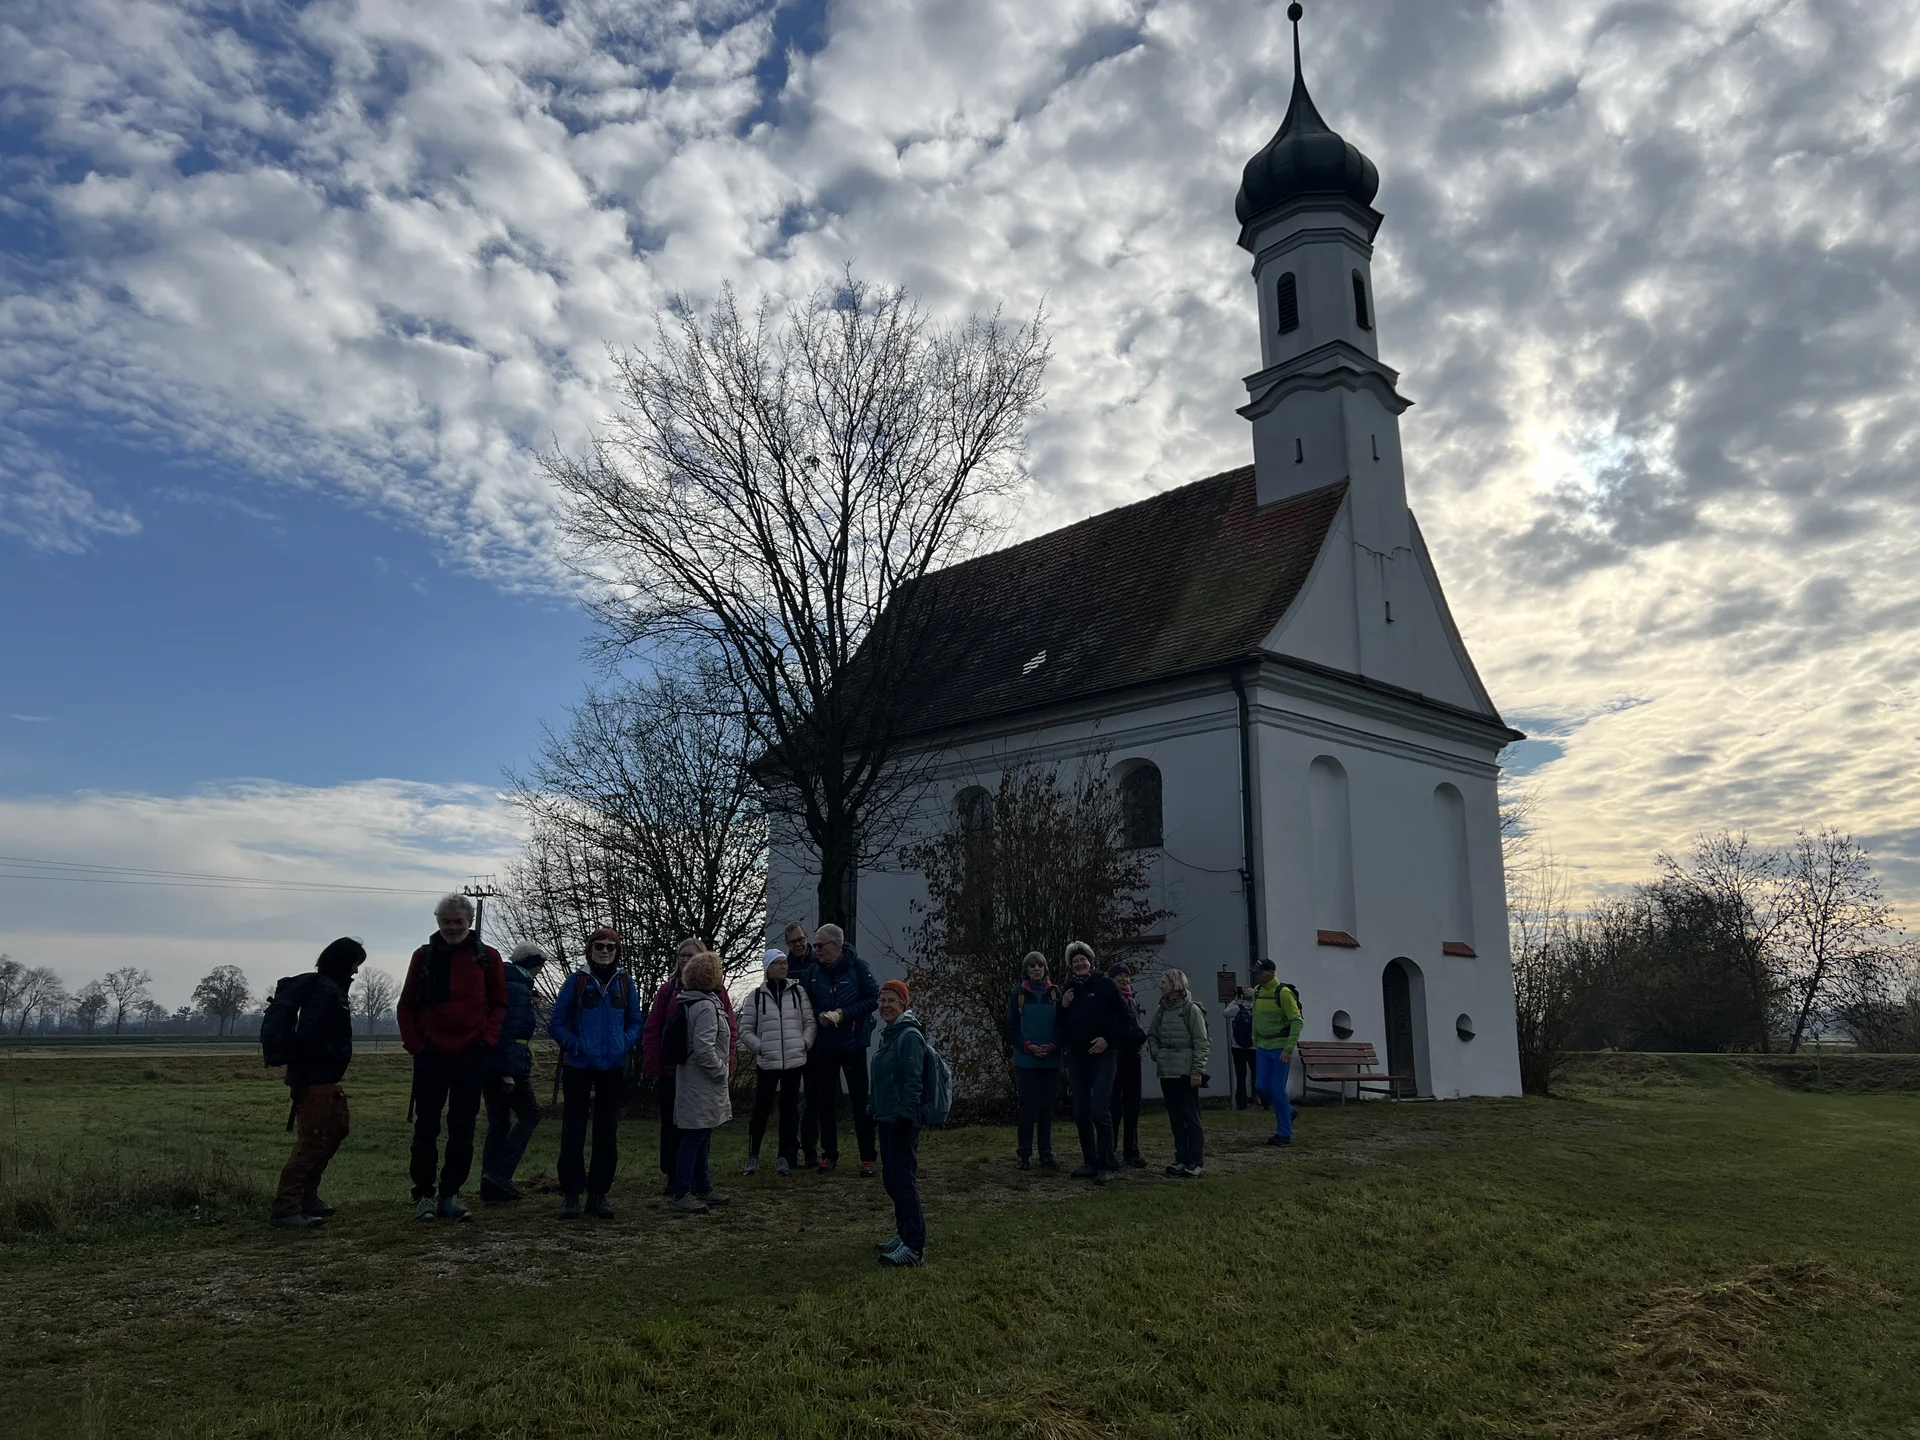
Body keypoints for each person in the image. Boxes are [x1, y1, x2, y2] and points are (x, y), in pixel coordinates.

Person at [398, 893, 507, 1222]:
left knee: (463, 1128)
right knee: (425, 1127)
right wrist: (416, 1045)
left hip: (472, 1055)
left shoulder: (488, 957)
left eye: (457, 921)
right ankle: (424, 1195)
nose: (451, 927)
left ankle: (451, 1194)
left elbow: (500, 1004)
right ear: (437, 921)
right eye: (445, 921)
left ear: (469, 922)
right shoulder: (424, 956)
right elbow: (406, 1005)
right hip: (430, 1055)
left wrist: (487, 1040)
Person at [267, 937, 365, 1230]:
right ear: (343, 963)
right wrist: (329, 1055)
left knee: (333, 1134)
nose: (356, 972)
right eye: (355, 965)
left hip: (325, 1079)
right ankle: (287, 1208)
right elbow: (308, 1032)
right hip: (316, 1080)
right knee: (313, 1142)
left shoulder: (330, 990)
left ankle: (307, 1199)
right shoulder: (324, 991)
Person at [547, 927, 644, 1219]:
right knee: (573, 1131)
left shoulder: (625, 983)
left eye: (610, 947)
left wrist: (622, 1044)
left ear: (617, 951)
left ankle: (599, 1194)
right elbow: (556, 1024)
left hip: (611, 1067)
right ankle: (571, 1194)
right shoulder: (576, 981)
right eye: (599, 946)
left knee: (607, 1131)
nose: (604, 951)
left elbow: (636, 1022)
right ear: (589, 949)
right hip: (577, 1066)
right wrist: (575, 1046)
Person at [642, 937, 742, 1193]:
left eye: (691, 956)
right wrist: (653, 1065)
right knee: (675, 1127)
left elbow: (729, 1030)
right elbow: (654, 1029)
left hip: (700, 1071)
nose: (685, 960)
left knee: (700, 1128)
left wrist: (728, 1063)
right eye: (681, 955)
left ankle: (696, 1179)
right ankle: (676, 1179)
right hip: (672, 1070)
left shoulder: (717, 994)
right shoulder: (669, 991)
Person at [800, 923, 880, 1176]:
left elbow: (873, 998)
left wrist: (844, 1014)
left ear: (836, 945)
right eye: (815, 945)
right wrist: (819, 1014)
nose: (816, 950)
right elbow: (806, 1003)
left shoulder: (858, 967)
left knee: (860, 1101)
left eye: (820, 945)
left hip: (854, 1044)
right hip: (826, 1046)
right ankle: (829, 1155)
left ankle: (868, 1158)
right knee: (826, 1102)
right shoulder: (814, 971)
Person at [480, 941, 549, 1204]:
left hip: (490, 1062)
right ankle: (500, 1175)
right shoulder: (518, 989)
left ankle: (489, 1183)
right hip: (510, 1064)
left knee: (499, 1123)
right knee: (530, 1116)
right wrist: (506, 1071)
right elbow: (507, 1030)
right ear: (535, 965)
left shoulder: (506, 983)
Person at [740, 946, 816, 1175]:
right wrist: (760, 1047)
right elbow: (745, 1030)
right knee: (761, 1109)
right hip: (767, 1061)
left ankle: (784, 1156)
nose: (783, 966)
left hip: (794, 1061)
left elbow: (810, 1022)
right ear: (767, 967)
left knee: (789, 1109)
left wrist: (804, 1043)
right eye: (777, 963)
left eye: (784, 962)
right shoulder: (755, 996)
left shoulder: (798, 992)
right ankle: (753, 1155)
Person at [1058, 940, 1128, 1184]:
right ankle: (1090, 1161)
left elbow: (1124, 1017)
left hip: (1103, 1055)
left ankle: (1107, 1163)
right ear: (1071, 965)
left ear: (1090, 961)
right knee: (1081, 1112)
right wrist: (1063, 1006)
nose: (1079, 964)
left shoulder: (1106, 985)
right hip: (1077, 1056)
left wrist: (1108, 1039)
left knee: (1099, 1108)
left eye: (1083, 959)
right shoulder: (1069, 989)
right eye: (1075, 961)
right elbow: (1060, 1026)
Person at [669, 950, 734, 1213]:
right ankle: (683, 1191)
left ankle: (702, 1185)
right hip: (702, 1082)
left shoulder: (693, 1002)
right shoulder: (705, 1006)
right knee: (695, 1136)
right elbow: (704, 1048)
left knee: (703, 1133)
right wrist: (721, 1071)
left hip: (696, 1081)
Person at [869, 978, 927, 1267]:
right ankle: (903, 1234)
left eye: (891, 1000)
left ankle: (914, 1247)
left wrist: (905, 1117)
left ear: (904, 1003)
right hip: (887, 1116)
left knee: (903, 1181)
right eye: (881, 1000)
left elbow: (913, 1081)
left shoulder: (909, 1036)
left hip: (902, 1120)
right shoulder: (890, 1034)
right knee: (892, 1180)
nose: (885, 1005)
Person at [1147, 968, 1212, 1177]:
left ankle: (1196, 1160)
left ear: (1175, 984)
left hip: (1185, 1073)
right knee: (1175, 1118)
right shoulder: (1162, 1011)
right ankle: (1180, 1158)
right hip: (1167, 1072)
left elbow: (1201, 1043)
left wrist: (1197, 1071)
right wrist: (1158, 1054)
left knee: (1190, 1117)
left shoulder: (1191, 1010)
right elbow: (1152, 1035)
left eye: (1164, 981)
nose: (1160, 985)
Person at [1003, 952, 1063, 1171]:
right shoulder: (1017, 995)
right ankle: (1024, 1153)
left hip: (1051, 1060)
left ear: (1045, 969)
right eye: (1032, 966)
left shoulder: (1055, 993)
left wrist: (1053, 1044)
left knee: (1047, 1109)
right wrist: (1028, 1046)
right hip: (1026, 1061)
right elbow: (1011, 1027)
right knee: (1028, 1108)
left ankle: (1046, 1153)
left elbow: (1062, 1025)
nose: (1037, 969)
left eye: (1040, 965)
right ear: (1026, 971)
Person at [1251, 960, 1303, 1146]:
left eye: (1260, 972)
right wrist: (1255, 1040)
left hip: (1280, 1047)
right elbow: (1256, 1017)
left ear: (1271, 972)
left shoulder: (1283, 993)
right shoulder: (1257, 992)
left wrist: (1288, 1048)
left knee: (1276, 1088)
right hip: (1263, 1047)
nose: (1257, 975)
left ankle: (1284, 1132)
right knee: (1261, 1086)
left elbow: (1296, 1021)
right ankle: (1288, 1111)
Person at [782, 921, 822, 1165]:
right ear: (787, 944)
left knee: (813, 1098)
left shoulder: (819, 964)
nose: (798, 945)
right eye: (793, 942)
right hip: (790, 1040)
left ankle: (810, 1149)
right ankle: (789, 1150)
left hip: (816, 1042)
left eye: (801, 939)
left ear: (807, 938)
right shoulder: (784, 968)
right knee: (789, 1099)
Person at [1108, 961, 1148, 1168]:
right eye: (1119, 977)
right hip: (1116, 1055)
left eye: (1126, 976)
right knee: (1114, 1105)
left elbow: (1137, 1026)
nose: (1124, 980)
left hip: (1133, 1056)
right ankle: (1110, 1149)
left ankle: (1131, 1150)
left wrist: (1139, 1035)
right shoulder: (1108, 1002)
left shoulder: (1133, 1000)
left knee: (1132, 1104)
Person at [1223, 986, 1259, 1110]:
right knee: (1257, 1073)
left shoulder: (1238, 1008)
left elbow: (1225, 1013)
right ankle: (1263, 1099)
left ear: (1242, 996)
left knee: (1240, 1075)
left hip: (1237, 1047)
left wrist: (1235, 1000)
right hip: (1254, 1046)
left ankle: (1242, 1102)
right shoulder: (1258, 1009)